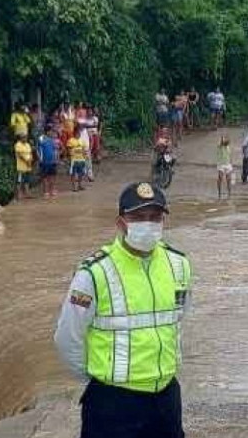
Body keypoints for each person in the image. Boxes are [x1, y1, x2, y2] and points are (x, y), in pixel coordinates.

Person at [54, 181, 190, 438]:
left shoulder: (179, 264)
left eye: (155, 217)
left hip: (166, 397)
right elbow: (67, 339)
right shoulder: (94, 273)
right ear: (121, 223)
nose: (148, 224)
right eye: (138, 217)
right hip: (113, 402)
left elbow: (179, 321)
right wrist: (100, 378)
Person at [37, 125, 60, 199]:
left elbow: (55, 150)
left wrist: (56, 159)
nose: (51, 132)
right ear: (47, 131)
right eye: (50, 131)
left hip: (52, 161)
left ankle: (52, 190)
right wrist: (39, 159)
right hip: (44, 161)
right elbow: (38, 150)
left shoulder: (52, 139)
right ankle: (45, 192)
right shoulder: (41, 138)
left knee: (52, 177)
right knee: (45, 178)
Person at [13, 133, 34, 200]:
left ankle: (27, 193)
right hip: (21, 167)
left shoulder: (27, 144)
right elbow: (20, 155)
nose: (25, 138)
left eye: (25, 137)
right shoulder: (18, 145)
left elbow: (30, 153)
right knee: (19, 181)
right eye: (23, 137)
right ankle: (18, 195)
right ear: (20, 138)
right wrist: (26, 161)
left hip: (28, 166)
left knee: (27, 180)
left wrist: (30, 160)